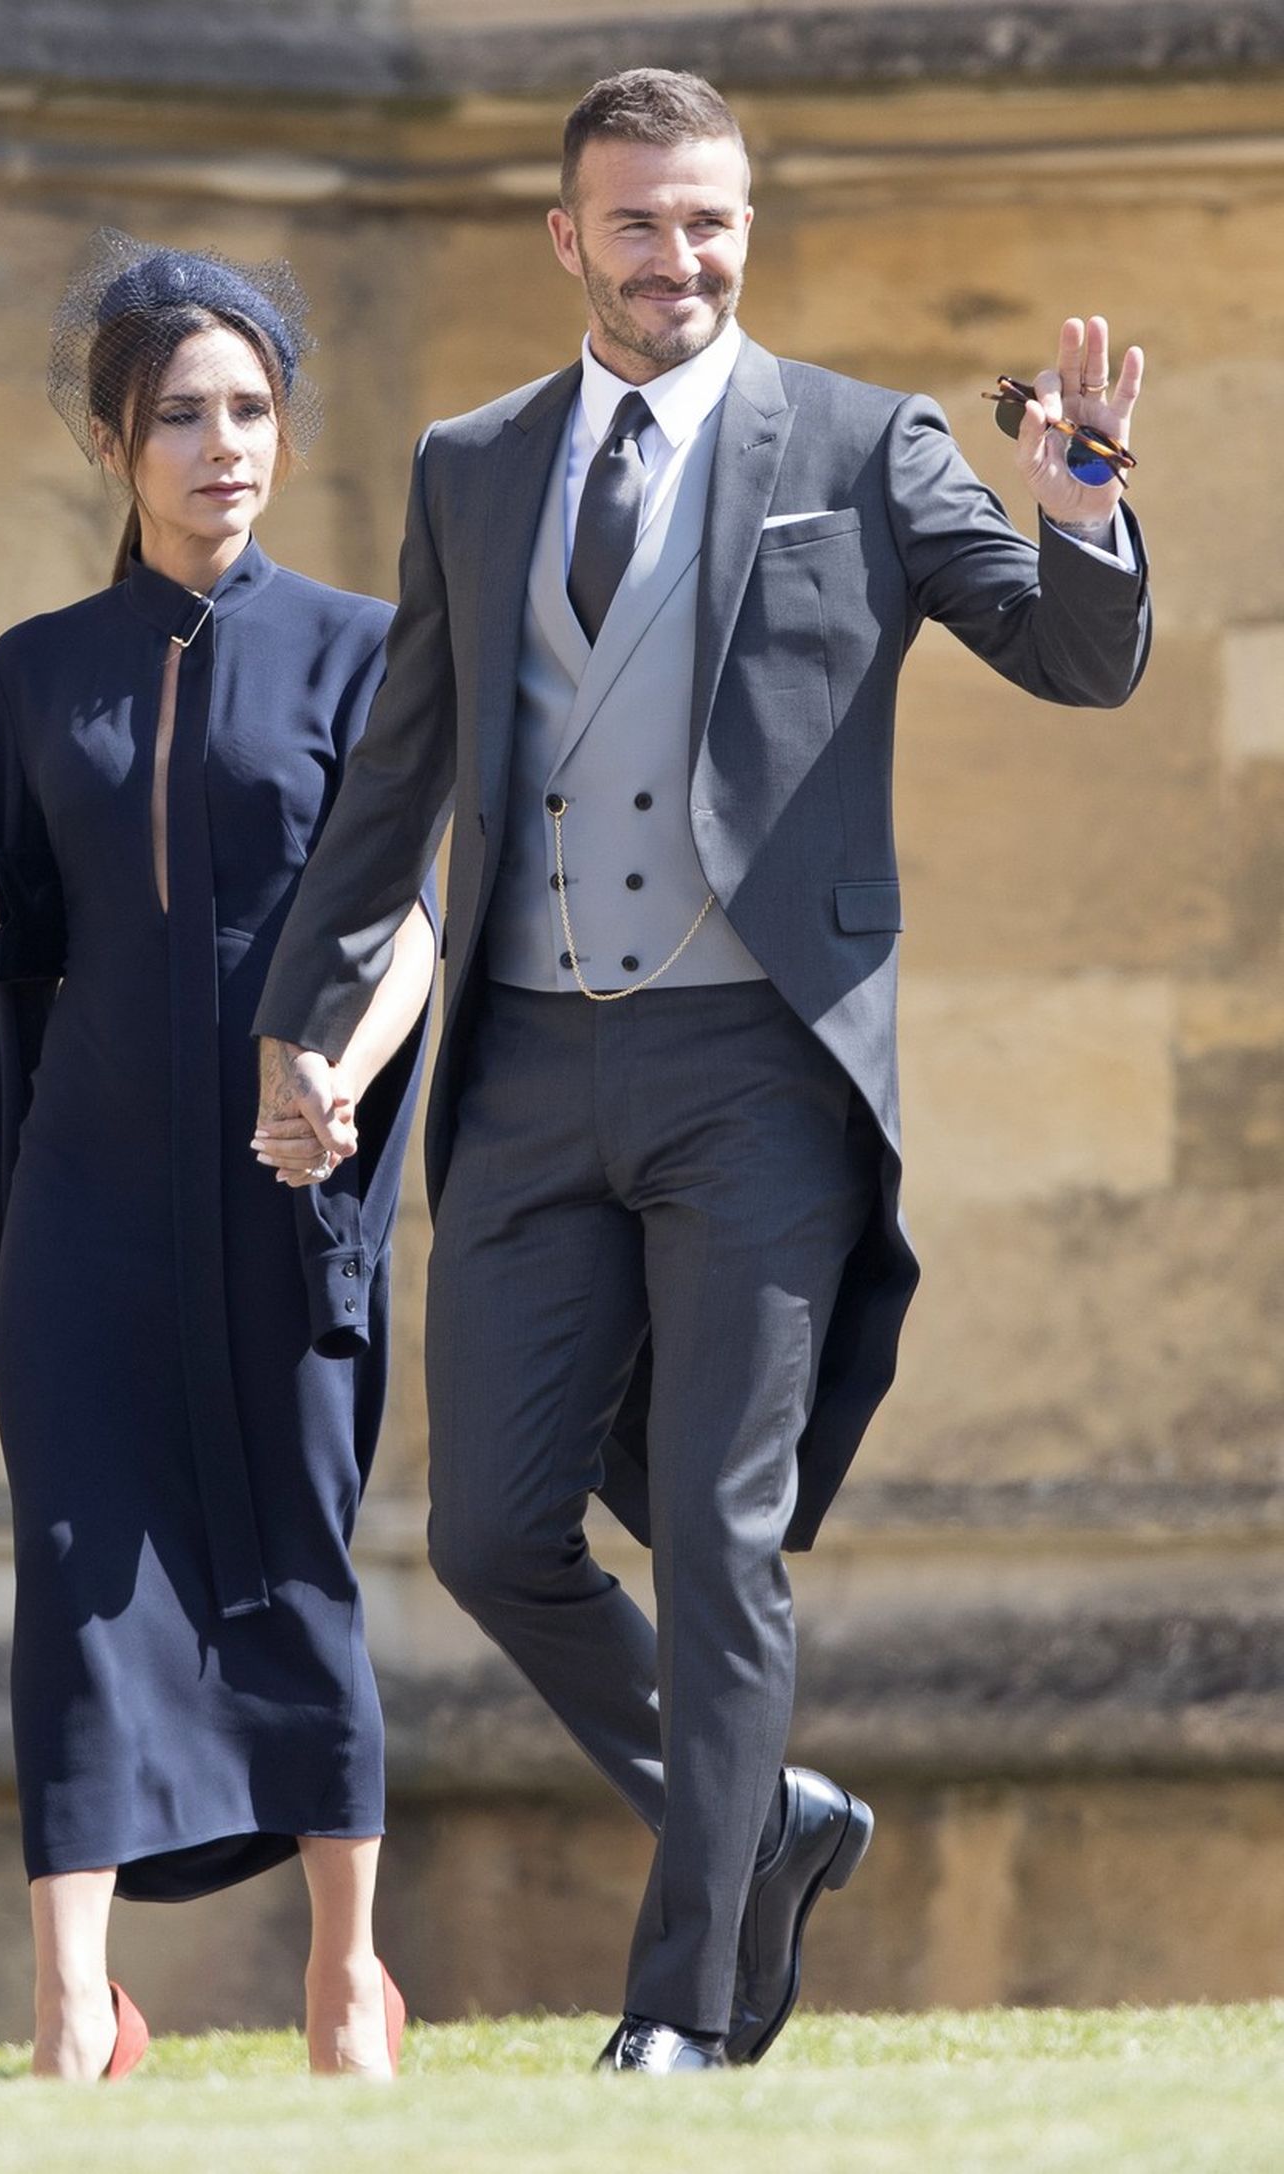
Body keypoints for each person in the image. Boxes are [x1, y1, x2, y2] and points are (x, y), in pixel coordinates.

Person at [254, 69, 1150, 2071]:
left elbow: (1074, 658)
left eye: (714, 220)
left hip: (757, 1066)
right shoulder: (472, 463)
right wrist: (301, 1025)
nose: (683, 256)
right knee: (491, 1533)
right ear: (568, 237)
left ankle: (686, 2012)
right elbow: (397, 776)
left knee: (721, 1537)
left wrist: (1084, 510)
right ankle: (766, 1813)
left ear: (749, 225)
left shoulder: (862, 442)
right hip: (525, 1066)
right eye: (643, 222)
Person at [0, 230, 436, 2083]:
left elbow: (411, 925)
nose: (225, 446)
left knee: (300, 1549)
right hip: (85, 1200)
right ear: (111, 441)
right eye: (181, 417)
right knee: (73, 1568)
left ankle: (345, 1978)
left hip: (290, 1189)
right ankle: (75, 2003)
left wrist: (340, 1080)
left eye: (251, 411)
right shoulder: (31, 672)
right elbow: (3, 969)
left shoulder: (369, 651)